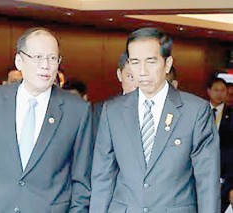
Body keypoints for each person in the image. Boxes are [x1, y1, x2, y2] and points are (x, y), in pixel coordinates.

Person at [90, 27, 220, 213]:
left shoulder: (195, 111)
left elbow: (207, 180)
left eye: (150, 62)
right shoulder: (113, 111)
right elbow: (103, 176)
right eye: (135, 62)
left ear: (167, 64)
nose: (142, 71)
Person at [0, 27, 92, 213]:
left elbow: (82, 179)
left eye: (52, 58)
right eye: (37, 57)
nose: (45, 65)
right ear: (19, 61)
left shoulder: (77, 110)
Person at [207, 77, 233, 212]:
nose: (220, 93)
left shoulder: (231, 114)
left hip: (225, 169)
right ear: (209, 91)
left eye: (223, 90)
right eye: (216, 90)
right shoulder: (201, 111)